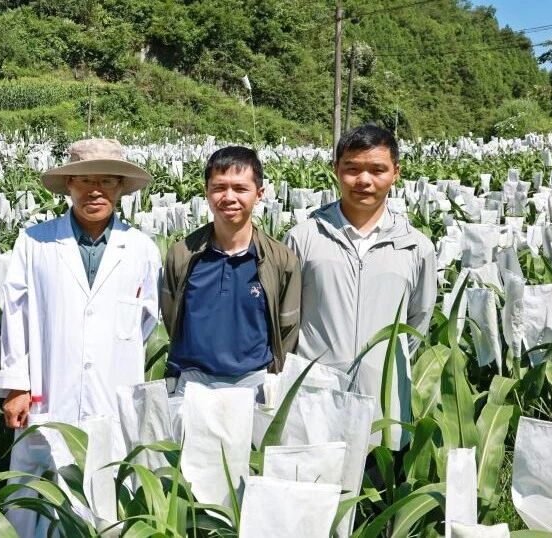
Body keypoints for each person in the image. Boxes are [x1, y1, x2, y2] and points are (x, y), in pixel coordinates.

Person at [0, 138, 161, 534]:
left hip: (111, 392)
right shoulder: (35, 241)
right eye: (85, 180)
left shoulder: (141, 248)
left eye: (107, 181)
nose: (95, 190)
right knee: (39, 502)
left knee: (105, 501)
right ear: (69, 184)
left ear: (121, 187)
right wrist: (17, 384)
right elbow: (15, 314)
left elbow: (146, 322)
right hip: (49, 393)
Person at [284, 124, 437, 449]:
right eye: (352, 169)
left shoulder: (415, 246)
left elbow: (418, 322)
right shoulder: (304, 238)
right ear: (336, 169)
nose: (364, 180)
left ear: (395, 173)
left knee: (379, 478)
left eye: (377, 170)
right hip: (317, 400)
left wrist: (377, 364)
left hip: (384, 404)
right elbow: (287, 318)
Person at [160, 146, 300, 393]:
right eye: (219, 188)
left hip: (254, 382)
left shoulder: (280, 259)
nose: (229, 197)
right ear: (206, 191)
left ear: (259, 194)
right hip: (192, 382)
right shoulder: (182, 254)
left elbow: (287, 328)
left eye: (240, 188)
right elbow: (172, 317)